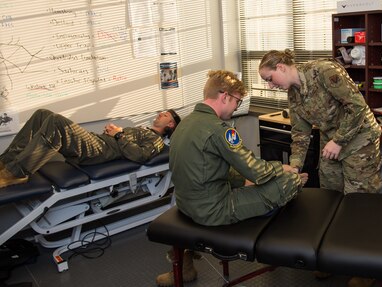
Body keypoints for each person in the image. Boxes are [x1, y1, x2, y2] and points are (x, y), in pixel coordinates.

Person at [156, 70, 307, 286]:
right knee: (287, 181)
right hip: (213, 210)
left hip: (186, 204)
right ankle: (297, 182)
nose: (237, 106)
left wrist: (246, 179)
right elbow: (256, 170)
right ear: (224, 95)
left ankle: (186, 264)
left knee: (247, 176)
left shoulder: (186, 124)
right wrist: (282, 169)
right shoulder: (220, 129)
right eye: (237, 101)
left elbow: (210, 169)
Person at [259, 49, 382, 287]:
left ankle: (366, 268)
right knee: (330, 200)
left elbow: (356, 106)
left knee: (360, 202)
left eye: (270, 79)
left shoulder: (324, 72)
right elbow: (300, 134)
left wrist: (339, 140)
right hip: (332, 141)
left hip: (359, 139)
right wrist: (294, 167)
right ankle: (334, 260)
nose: (271, 86)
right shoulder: (294, 95)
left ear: (281, 68)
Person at [0, 108, 181, 188]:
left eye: (164, 114)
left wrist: (118, 134)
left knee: (56, 121)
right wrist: (115, 133)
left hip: (100, 151)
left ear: (171, 124)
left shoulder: (156, 140)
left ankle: (18, 172)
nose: (159, 114)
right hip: (98, 141)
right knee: (42, 114)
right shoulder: (142, 129)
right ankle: (6, 163)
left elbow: (140, 156)